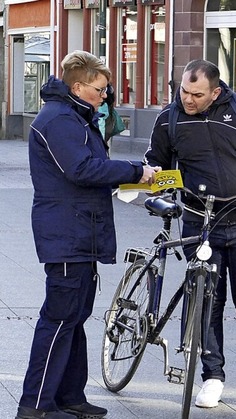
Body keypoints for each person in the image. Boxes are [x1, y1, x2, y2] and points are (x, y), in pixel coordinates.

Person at [17, 50, 158, 419]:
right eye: (100, 89)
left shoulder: (74, 116)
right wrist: (133, 171)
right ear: (77, 87)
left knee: (74, 317)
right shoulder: (60, 119)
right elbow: (81, 169)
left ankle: (69, 397)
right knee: (60, 319)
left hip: (77, 231)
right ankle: (36, 407)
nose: (105, 96)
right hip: (67, 233)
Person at [144, 59, 236, 410]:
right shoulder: (169, 118)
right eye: (183, 91)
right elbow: (156, 161)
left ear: (216, 92)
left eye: (196, 94)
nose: (187, 100)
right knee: (207, 301)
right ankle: (212, 377)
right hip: (199, 220)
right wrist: (153, 182)